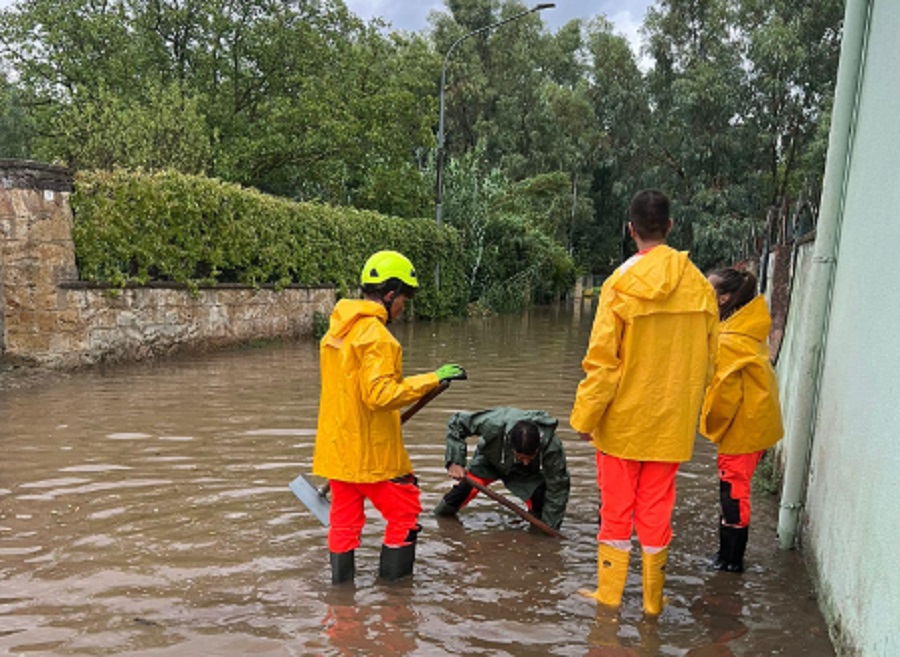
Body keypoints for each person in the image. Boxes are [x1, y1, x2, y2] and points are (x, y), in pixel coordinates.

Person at [570, 189, 718, 615]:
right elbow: (711, 362)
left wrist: (585, 417)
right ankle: (653, 602)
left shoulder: (619, 284)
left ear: (630, 229)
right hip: (671, 423)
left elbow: (602, 363)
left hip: (622, 424)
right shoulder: (701, 287)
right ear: (670, 226)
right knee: (657, 511)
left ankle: (609, 598)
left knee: (616, 512)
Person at [312, 250, 467, 584]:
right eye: (404, 300)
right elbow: (380, 396)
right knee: (405, 513)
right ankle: (396, 602)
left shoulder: (336, 333)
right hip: (374, 456)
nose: (402, 307)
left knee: (344, 522)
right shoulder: (379, 338)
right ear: (390, 293)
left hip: (339, 452)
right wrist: (433, 378)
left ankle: (342, 605)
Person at [700, 267, 783, 572]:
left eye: (708, 291)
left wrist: (712, 428)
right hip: (756, 422)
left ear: (724, 298)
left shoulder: (730, 340)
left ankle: (731, 563)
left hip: (742, 428)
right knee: (735, 491)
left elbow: (724, 397)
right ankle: (727, 558)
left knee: (733, 494)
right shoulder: (747, 328)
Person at [433, 408, 570, 531]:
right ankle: (436, 521)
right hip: (488, 462)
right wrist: (455, 461)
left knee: (541, 502)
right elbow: (457, 423)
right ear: (510, 444)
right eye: (521, 457)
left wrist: (549, 529)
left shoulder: (552, 446)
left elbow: (558, 488)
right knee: (457, 497)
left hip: (524, 474)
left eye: (531, 457)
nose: (526, 462)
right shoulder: (494, 423)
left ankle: (534, 533)